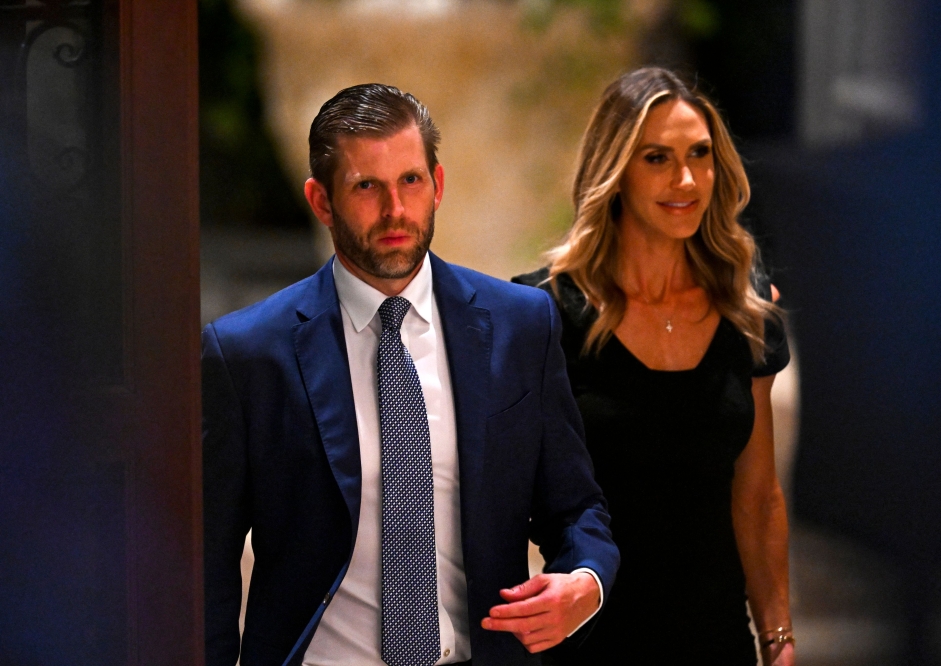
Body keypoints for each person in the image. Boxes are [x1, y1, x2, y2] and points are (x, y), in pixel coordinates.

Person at [202, 84, 619, 666]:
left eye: (411, 181)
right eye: (367, 186)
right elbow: (207, 563)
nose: (395, 210)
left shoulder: (520, 325)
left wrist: (585, 580)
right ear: (321, 201)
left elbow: (574, 506)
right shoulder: (246, 352)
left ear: (438, 185)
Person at [514, 67, 795, 665]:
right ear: (615, 172)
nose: (687, 179)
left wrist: (779, 638)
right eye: (657, 158)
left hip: (715, 639)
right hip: (588, 642)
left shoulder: (746, 309)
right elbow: (508, 494)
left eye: (700, 154)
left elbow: (758, 496)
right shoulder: (544, 313)